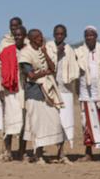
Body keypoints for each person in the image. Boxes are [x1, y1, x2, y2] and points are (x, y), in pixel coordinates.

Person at [20, 28, 66, 164]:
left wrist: (45, 53)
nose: (42, 39)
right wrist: (45, 72)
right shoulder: (25, 54)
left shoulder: (43, 50)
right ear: (33, 39)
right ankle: (38, 155)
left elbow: (53, 68)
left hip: (48, 91)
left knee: (56, 122)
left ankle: (61, 154)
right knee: (37, 125)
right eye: (39, 37)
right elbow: (31, 75)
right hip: (34, 92)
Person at [74, 26, 100, 159]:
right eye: (87, 35)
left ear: (96, 36)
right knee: (87, 123)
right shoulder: (79, 52)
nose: (89, 37)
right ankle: (88, 152)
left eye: (92, 35)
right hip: (86, 93)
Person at [0, 25, 27, 159]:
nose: (18, 37)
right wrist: (1, 89)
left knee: (24, 123)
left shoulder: (29, 50)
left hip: (24, 89)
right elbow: (2, 72)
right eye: (16, 35)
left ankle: (22, 151)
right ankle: (8, 151)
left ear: (24, 36)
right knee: (9, 121)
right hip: (9, 90)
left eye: (20, 35)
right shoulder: (7, 51)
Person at [51, 24, 79, 152]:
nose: (59, 36)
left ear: (66, 35)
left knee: (65, 120)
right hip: (51, 90)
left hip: (66, 90)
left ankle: (61, 151)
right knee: (52, 120)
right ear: (54, 35)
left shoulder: (70, 50)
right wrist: (56, 52)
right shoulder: (49, 48)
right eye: (57, 34)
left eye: (62, 34)